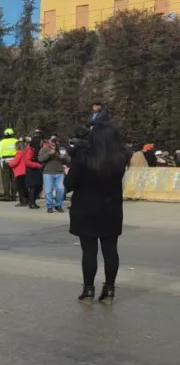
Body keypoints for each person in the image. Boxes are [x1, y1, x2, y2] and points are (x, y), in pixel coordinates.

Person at [65, 123, 128, 304]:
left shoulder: (83, 158)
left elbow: (68, 184)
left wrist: (69, 173)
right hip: (111, 209)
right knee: (110, 251)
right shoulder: (120, 159)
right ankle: (109, 290)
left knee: (89, 252)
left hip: (86, 209)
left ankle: (88, 291)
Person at [38, 136, 70, 213]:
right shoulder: (45, 149)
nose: (53, 143)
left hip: (59, 172)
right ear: (49, 141)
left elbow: (68, 160)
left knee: (60, 189)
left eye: (55, 141)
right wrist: (49, 154)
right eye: (52, 141)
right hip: (48, 172)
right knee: (48, 190)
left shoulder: (61, 149)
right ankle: (49, 206)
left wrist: (64, 157)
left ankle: (58, 205)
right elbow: (40, 159)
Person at [0, 128, 18, 201]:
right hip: (15, 161)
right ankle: (14, 196)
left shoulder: (1, 142)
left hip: (5, 162)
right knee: (14, 179)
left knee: (5, 179)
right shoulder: (16, 141)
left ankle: (7, 196)